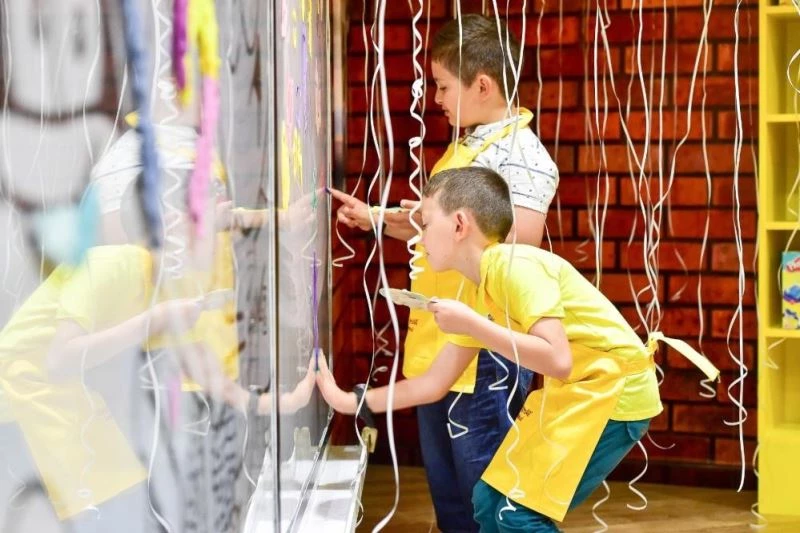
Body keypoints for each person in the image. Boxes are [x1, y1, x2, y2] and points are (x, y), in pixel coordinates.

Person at [317, 166, 719, 532]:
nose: (419, 237)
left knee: (516, 514)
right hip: (579, 393)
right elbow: (434, 383)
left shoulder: (515, 268)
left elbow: (557, 359)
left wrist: (473, 325)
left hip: (615, 396)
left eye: (425, 222)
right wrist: (349, 401)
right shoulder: (479, 289)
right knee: (488, 499)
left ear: (459, 224)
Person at [328, 14, 559, 531]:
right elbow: (446, 231)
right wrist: (377, 218)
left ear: (483, 85)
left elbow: (517, 248)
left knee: (486, 504)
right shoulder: (469, 144)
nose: (436, 98)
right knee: (452, 502)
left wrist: (440, 222)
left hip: (485, 356)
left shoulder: (523, 155)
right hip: (442, 346)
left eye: (443, 86)